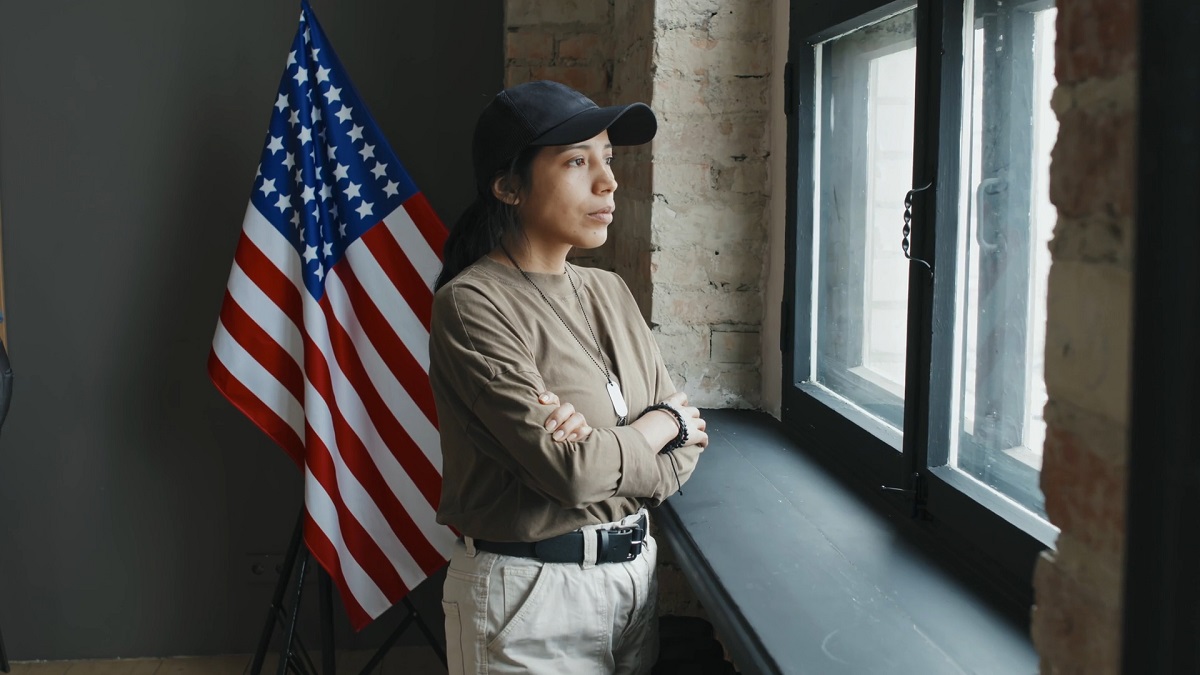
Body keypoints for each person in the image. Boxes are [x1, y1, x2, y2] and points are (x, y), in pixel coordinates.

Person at [428, 80, 709, 675]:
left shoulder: (608, 290)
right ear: (508, 185)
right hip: (530, 598)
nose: (608, 182)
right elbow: (572, 472)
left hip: (634, 583)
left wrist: (623, 442)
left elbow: (690, 448)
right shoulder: (472, 304)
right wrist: (660, 424)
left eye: (607, 158)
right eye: (577, 161)